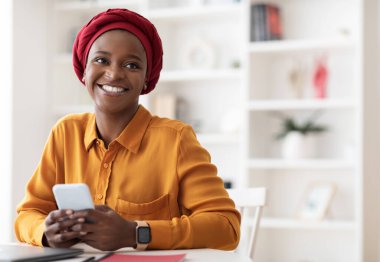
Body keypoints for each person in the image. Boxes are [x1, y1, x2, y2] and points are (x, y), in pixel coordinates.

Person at [14, 8, 240, 251]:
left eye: (131, 65)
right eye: (101, 60)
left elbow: (226, 227)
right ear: (84, 69)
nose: (113, 74)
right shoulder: (65, 133)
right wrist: (45, 233)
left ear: (146, 79)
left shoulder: (176, 140)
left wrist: (137, 233)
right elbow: (27, 214)